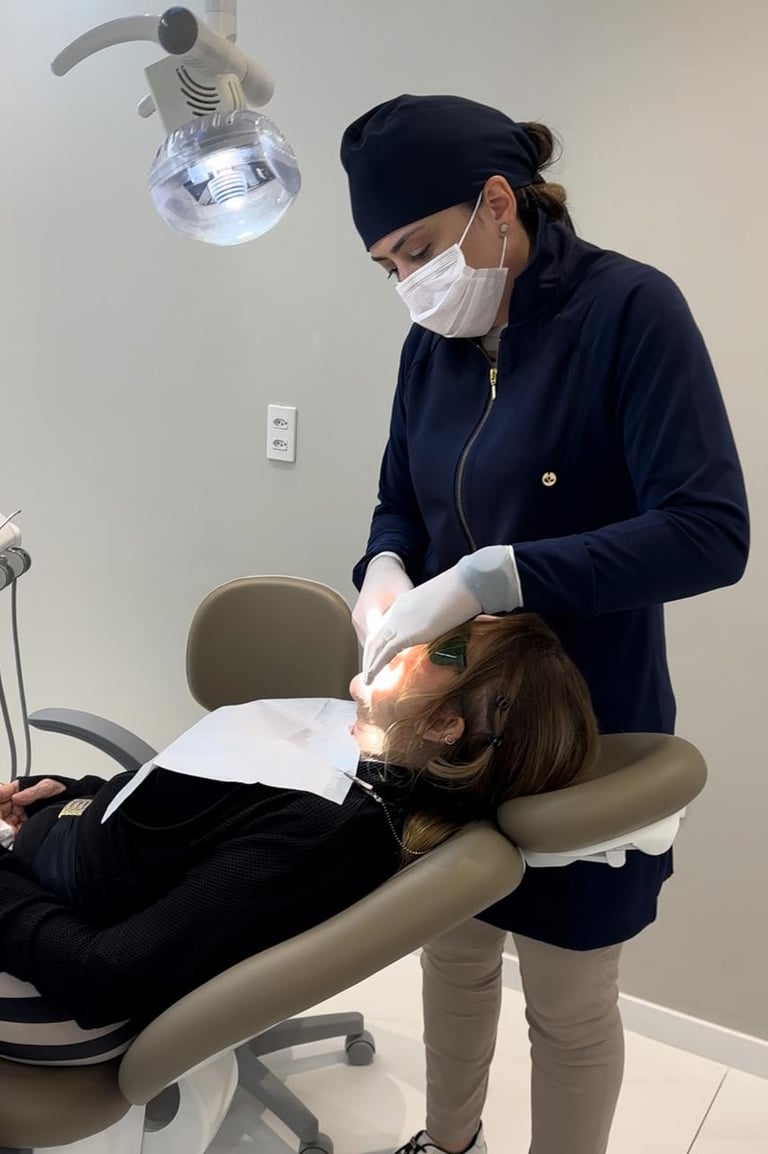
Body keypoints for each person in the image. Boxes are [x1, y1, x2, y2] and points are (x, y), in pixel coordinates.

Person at [340, 93, 749, 1154]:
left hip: (583, 727)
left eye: (418, 249)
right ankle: (449, 1141)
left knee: (567, 1000)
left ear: (497, 201)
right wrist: (385, 567)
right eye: (386, 265)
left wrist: (500, 575)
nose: (409, 282)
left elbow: (711, 533)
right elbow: (398, 500)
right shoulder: (432, 345)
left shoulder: (629, 313)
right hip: (447, 726)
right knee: (453, 952)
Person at [0, 612, 596, 1066]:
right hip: (57, 871)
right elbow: (194, 820)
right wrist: (75, 796)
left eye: (445, 644)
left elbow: (105, 976)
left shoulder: (324, 829)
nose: (413, 635)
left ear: (444, 724)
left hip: (56, 988)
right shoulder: (365, 747)